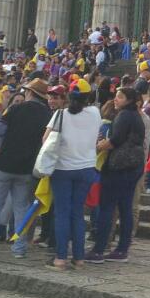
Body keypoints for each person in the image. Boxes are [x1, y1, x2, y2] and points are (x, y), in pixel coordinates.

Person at [0, 78, 52, 258]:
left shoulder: (15, 109)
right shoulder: (48, 114)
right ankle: (19, 248)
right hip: (28, 167)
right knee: (21, 207)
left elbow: (0, 129)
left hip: (4, 163)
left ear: (29, 92)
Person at [86, 87, 146, 263]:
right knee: (125, 207)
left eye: (120, 97)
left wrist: (98, 147)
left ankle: (98, 249)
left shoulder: (124, 116)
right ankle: (122, 249)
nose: (116, 99)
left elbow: (115, 140)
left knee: (107, 207)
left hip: (119, 167)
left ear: (128, 99)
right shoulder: (137, 116)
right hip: (134, 166)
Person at [46, 79, 100, 271]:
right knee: (77, 213)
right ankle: (79, 258)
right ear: (88, 97)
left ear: (68, 96)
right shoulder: (95, 113)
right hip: (86, 168)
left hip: (62, 168)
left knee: (62, 213)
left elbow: (46, 140)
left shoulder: (60, 115)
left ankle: (60, 257)